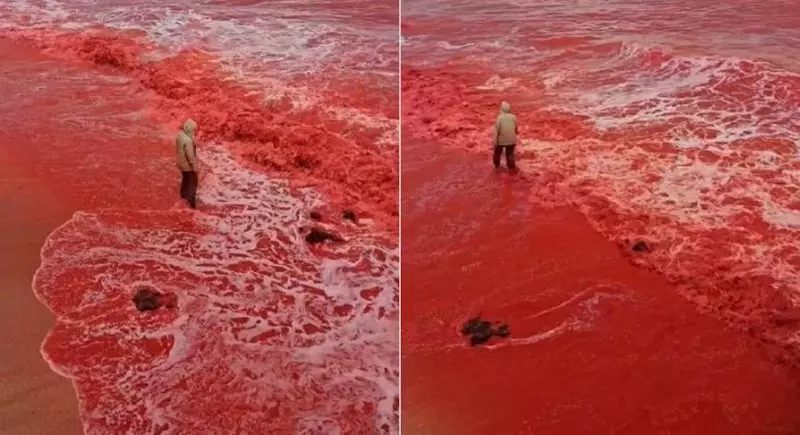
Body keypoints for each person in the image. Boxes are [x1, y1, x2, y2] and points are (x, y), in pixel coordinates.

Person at [176, 119, 199, 209]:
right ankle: (191, 203)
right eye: (194, 130)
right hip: (187, 164)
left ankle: (183, 197)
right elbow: (190, 156)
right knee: (193, 182)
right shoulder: (188, 140)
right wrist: (194, 167)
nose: (195, 131)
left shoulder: (180, 135)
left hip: (181, 163)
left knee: (185, 179)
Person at [492, 101, 518, 171]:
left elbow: (497, 131)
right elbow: (516, 128)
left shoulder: (499, 118)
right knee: (510, 154)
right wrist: (515, 135)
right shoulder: (514, 117)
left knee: (497, 152)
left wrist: (495, 142)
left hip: (501, 140)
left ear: (501, 109)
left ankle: (496, 165)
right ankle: (511, 168)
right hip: (512, 139)